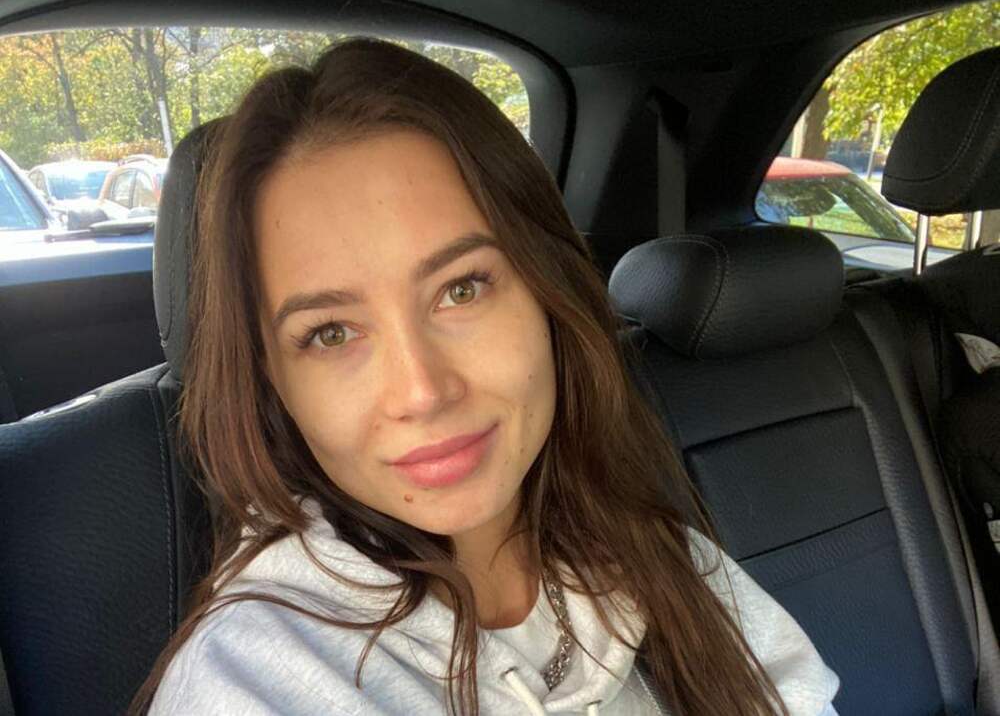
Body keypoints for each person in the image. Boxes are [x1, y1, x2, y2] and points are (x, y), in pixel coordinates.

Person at [134, 37, 840, 715]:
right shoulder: (257, 678)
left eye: (461, 289)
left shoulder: (646, 542)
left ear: (546, 290)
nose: (422, 391)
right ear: (273, 383)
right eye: (331, 333)